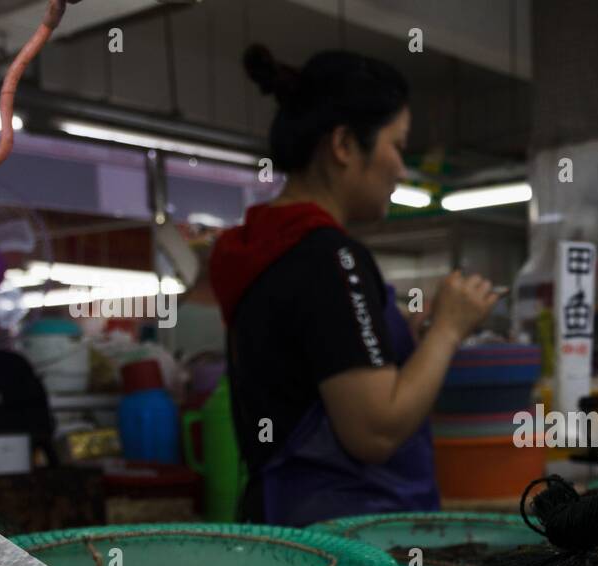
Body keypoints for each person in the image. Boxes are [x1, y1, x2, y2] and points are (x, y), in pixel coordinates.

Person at [209, 46, 499, 526]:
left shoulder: (264, 247)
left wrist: (407, 339)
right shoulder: (331, 257)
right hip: (350, 545)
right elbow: (375, 431)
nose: (402, 170)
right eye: (397, 145)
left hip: (287, 524)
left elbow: (307, 369)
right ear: (344, 145)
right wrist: (449, 329)